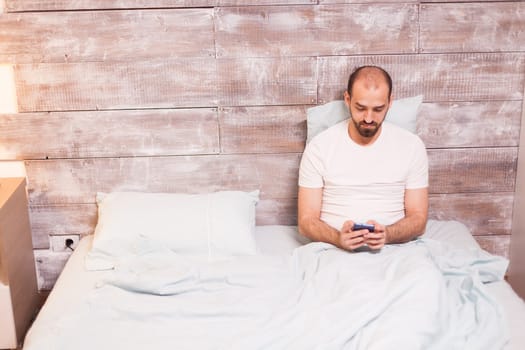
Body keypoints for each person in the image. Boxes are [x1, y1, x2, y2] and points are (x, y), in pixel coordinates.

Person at [297, 65, 428, 252]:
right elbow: (306, 221)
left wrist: (388, 234)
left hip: (396, 249)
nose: (368, 118)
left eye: (378, 109)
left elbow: (418, 219)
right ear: (347, 99)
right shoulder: (319, 147)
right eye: (360, 108)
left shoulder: (412, 146)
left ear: (390, 102)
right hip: (333, 249)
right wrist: (337, 238)